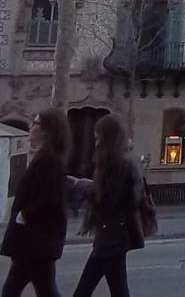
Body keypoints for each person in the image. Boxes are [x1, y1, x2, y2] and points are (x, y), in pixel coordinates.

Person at [70, 114, 145, 297]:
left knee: (87, 291)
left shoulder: (120, 163)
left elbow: (108, 199)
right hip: (111, 233)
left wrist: (81, 185)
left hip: (113, 234)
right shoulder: (117, 161)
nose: (96, 143)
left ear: (108, 138)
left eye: (98, 138)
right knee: (112, 289)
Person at [1, 109, 70, 297]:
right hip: (33, 241)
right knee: (32, 289)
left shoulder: (49, 160)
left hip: (37, 240)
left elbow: (50, 197)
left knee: (18, 290)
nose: (31, 127)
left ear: (47, 130)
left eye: (36, 124)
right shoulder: (44, 157)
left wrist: (25, 214)